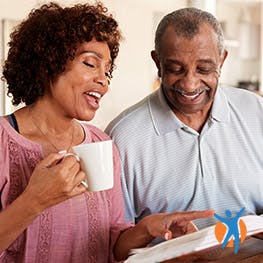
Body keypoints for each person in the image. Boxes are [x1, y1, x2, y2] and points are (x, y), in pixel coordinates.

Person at [0, 2, 214, 262]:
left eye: (107, 70)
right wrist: (34, 201)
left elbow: (113, 245)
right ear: (49, 63)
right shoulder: (3, 141)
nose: (104, 81)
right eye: (91, 64)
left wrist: (147, 228)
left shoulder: (101, 144)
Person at [105, 7, 263, 231]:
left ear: (222, 60)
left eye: (204, 69)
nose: (190, 84)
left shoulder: (256, 112)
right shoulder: (123, 137)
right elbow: (115, 241)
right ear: (157, 62)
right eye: (176, 69)